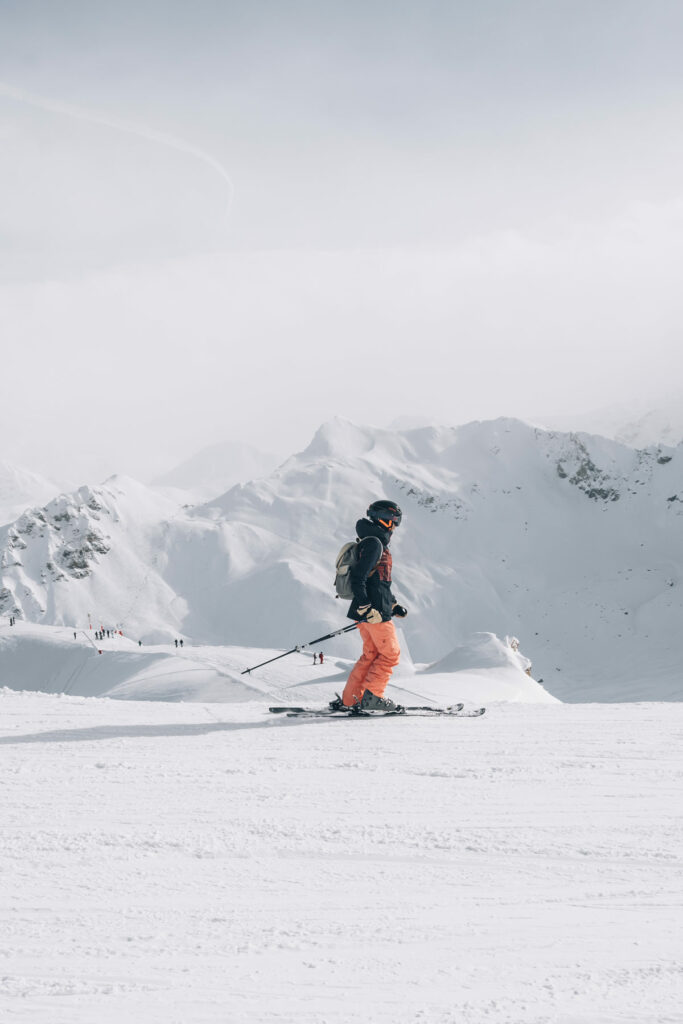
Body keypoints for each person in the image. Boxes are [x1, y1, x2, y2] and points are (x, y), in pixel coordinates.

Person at [333, 500, 408, 712]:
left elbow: (378, 581)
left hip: (368, 608)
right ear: (380, 518)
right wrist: (369, 607)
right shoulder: (375, 543)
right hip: (373, 612)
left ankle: (351, 699)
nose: (394, 526)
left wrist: (393, 604)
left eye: (397, 522)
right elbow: (359, 578)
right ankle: (373, 697)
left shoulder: (371, 542)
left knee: (372, 654)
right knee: (390, 654)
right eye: (392, 520)